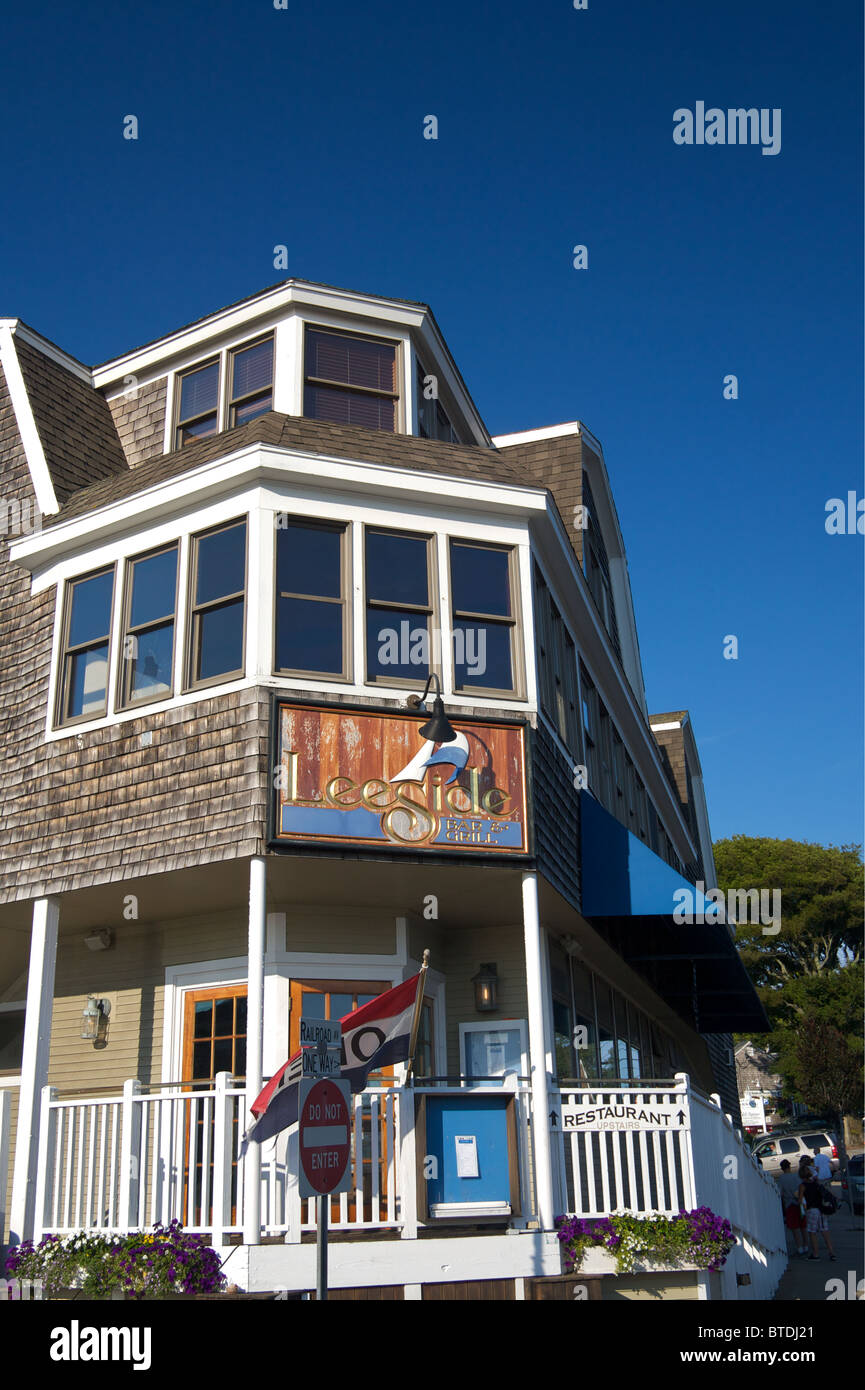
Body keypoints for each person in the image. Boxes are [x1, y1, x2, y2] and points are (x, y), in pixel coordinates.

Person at [798, 1163, 836, 1262]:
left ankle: (816, 1254)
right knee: (825, 1231)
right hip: (821, 1209)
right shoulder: (816, 1183)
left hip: (812, 1210)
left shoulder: (802, 1186)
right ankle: (831, 1252)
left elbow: (800, 1200)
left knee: (812, 1232)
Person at [777, 1159, 807, 1255]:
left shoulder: (781, 1179)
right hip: (799, 1202)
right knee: (803, 1226)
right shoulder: (796, 1176)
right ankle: (806, 1245)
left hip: (789, 1204)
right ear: (789, 1166)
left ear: (782, 1168)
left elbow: (780, 1193)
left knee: (795, 1228)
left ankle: (799, 1247)